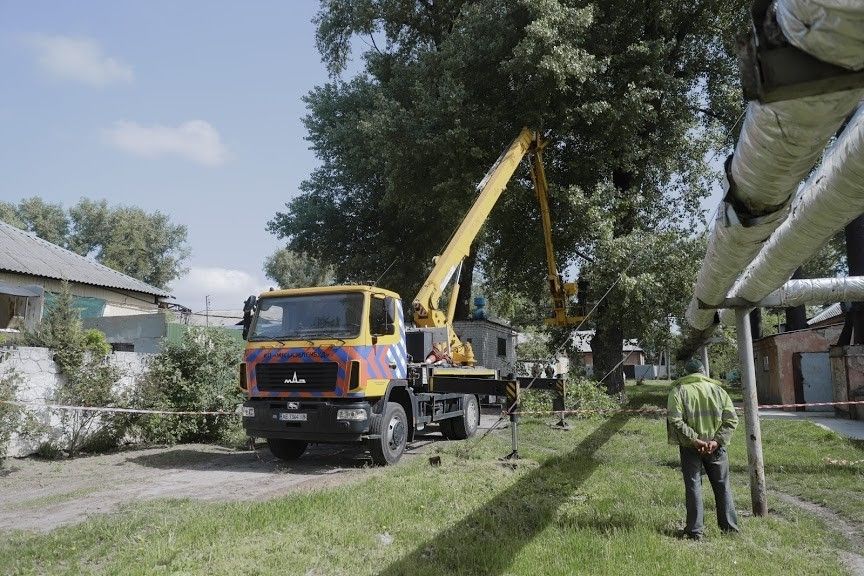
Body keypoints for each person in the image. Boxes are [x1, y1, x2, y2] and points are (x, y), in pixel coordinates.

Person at [667, 358, 739, 540]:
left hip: (690, 447)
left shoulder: (679, 390)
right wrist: (716, 441)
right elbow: (732, 420)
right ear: (703, 372)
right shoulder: (719, 391)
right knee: (722, 486)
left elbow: (675, 419)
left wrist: (694, 439)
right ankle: (729, 529)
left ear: (687, 373)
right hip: (716, 447)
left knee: (693, 486)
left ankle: (695, 531)